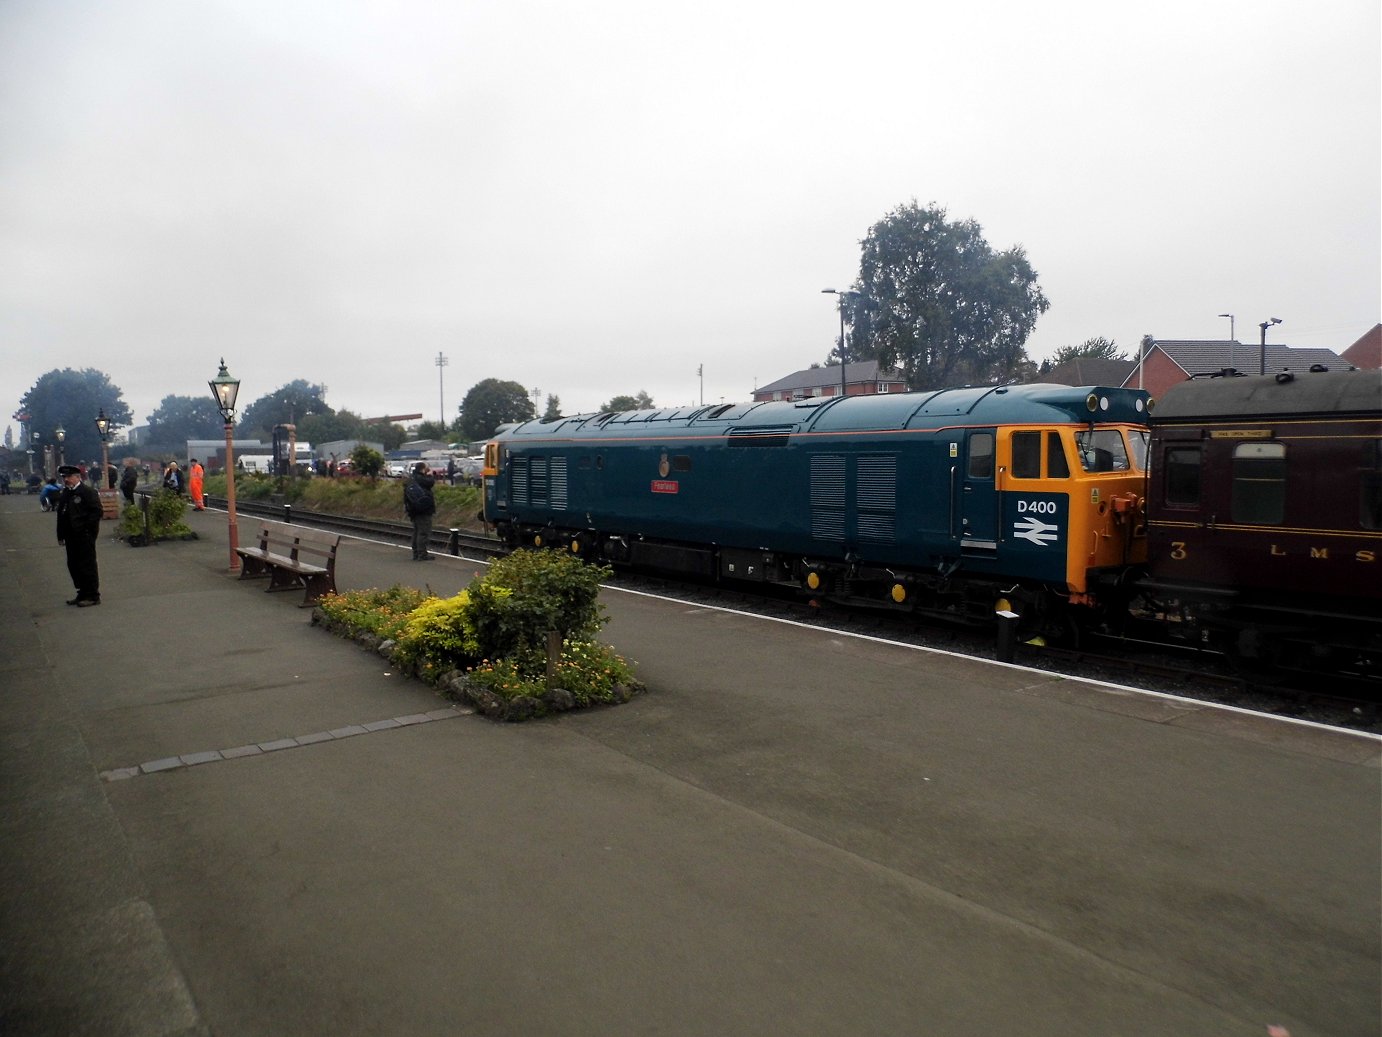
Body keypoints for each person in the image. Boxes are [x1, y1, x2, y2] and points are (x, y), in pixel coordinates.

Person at [55, 464, 101, 606]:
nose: (66, 479)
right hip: (70, 536)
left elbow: (96, 512)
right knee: (73, 565)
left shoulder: (87, 492)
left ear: (77, 477)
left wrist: (87, 529)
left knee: (87, 564)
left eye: (68, 477)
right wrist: (60, 534)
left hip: (84, 535)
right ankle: (82, 592)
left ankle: (93, 595)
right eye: (64, 477)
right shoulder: (66, 493)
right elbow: (61, 515)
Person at [403, 462, 436, 561]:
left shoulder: (411, 479)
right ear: (423, 469)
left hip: (413, 509)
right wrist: (430, 474)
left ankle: (416, 553)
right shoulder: (421, 478)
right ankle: (422, 554)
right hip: (423, 509)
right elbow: (430, 483)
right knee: (423, 532)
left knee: (417, 531)